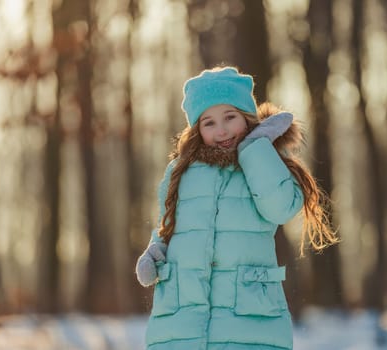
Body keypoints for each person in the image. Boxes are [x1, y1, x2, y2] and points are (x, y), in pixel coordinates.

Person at [135, 66, 338, 349]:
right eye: (209, 122)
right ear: (196, 129)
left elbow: (280, 209)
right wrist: (156, 249)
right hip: (183, 319)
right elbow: (168, 225)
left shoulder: (262, 162)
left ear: (247, 117)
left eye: (230, 117)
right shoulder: (180, 172)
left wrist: (255, 150)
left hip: (248, 319)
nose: (221, 130)